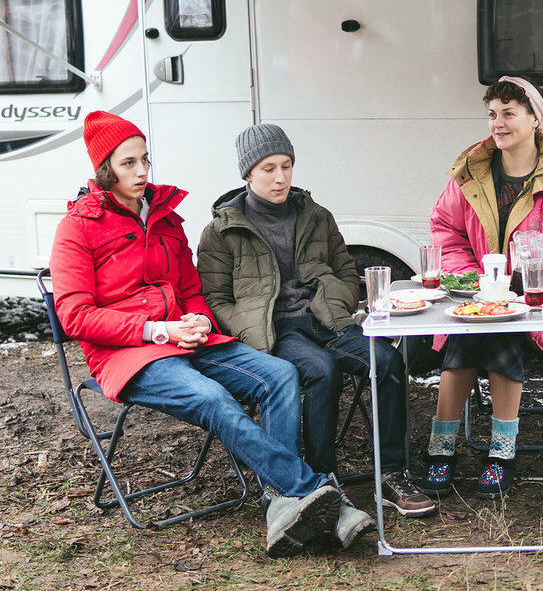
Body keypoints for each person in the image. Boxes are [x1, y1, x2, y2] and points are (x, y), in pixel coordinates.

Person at [49, 111, 349, 557]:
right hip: (128, 354)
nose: (141, 171)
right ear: (105, 168)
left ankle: (281, 505)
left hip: (187, 339)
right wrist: (157, 330)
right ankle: (310, 491)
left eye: (145, 160)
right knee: (213, 398)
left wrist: (201, 320)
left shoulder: (165, 218)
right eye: (128, 163)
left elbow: (191, 290)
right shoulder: (78, 227)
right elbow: (75, 316)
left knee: (280, 374)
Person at [197, 123, 436, 528]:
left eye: (286, 166)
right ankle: (324, 480)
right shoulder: (222, 230)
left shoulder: (316, 216)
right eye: (269, 168)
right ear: (248, 173)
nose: (280, 177)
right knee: (322, 372)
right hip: (276, 330)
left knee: (387, 361)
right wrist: (249, 330)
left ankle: (391, 475)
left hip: (328, 322)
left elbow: (346, 271)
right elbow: (215, 299)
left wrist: (336, 303)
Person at [421, 76, 543, 498]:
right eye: (492, 114)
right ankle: (444, 447)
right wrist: (477, 282)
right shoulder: (472, 171)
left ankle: (500, 452)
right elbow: (446, 231)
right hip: (482, 295)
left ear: (534, 118)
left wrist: (536, 289)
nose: (497, 123)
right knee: (469, 330)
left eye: (508, 113)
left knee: (502, 328)